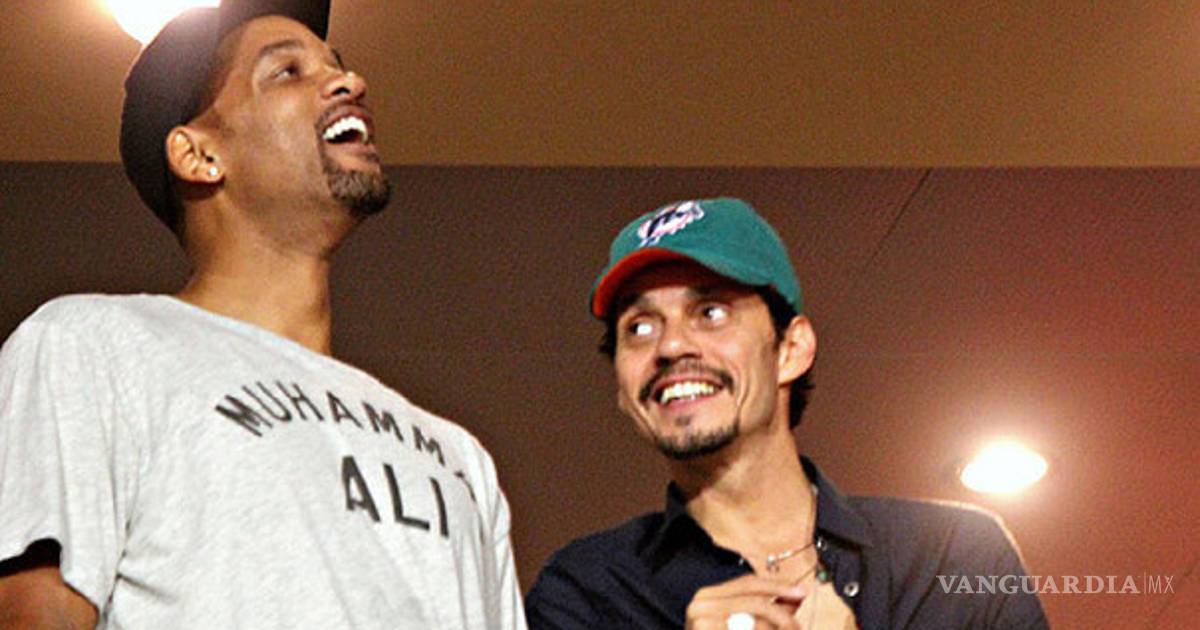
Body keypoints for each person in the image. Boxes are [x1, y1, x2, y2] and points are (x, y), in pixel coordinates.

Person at [0, 1, 525, 628]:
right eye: (286, 72)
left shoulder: (460, 456)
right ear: (198, 155)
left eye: (337, 66)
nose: (350, 82)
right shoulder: (91, 345)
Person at [524, 198, 1048, 629]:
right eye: (639, 328)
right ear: (622, 386)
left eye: (711, 312)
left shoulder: (955, 559)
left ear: (791, 349)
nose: (671, 345)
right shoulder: (586, 595)